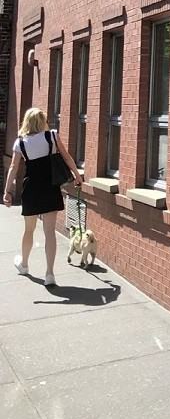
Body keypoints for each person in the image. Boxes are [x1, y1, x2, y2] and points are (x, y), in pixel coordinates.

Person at [2, 107, 83, 286]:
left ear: (27, 122)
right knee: (49, 232)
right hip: (50, 188)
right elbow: (66, 157)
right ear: (42, 122)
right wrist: (77, 176)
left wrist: (7, 191)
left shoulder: (20, 143)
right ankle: (50, 274)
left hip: (31, 189)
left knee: (29, 230)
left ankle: (24, 264)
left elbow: (13, 168)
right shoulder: (52, 136)